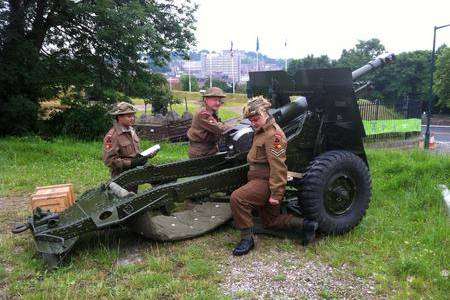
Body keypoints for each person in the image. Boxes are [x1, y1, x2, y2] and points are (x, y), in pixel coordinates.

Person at [230, 96, 318, 256]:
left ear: (266, 114)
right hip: (259, 179)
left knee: (238, 198)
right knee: (270, 222)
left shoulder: (274, 136)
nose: (253, 122)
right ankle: (307, 225)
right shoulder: (261, 131)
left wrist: (276, 194)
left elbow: (279, 167)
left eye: (256, 118)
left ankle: (247, 239)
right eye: (251, 119)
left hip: (265, 181)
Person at [103, 102, 148, 192]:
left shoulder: (131, 131)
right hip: (122, 177)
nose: (132, 118)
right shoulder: (113, 136)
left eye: (133, 116)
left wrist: (145, 156)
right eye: (129, 116)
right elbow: (109, 161)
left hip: (134, 173)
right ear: (119, 117)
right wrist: (131, 163)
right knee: (126, 201)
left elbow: (135, 152)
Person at [187, 87, 232, 158]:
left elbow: (218, 126)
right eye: (215, 100)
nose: (218, 103)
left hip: (209, 150)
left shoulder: (211, 113)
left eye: (219, 100)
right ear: (206, 100)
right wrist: (232, 126)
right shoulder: (203, 114)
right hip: (201, 153)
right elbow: (219, 129)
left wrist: (220, 125)